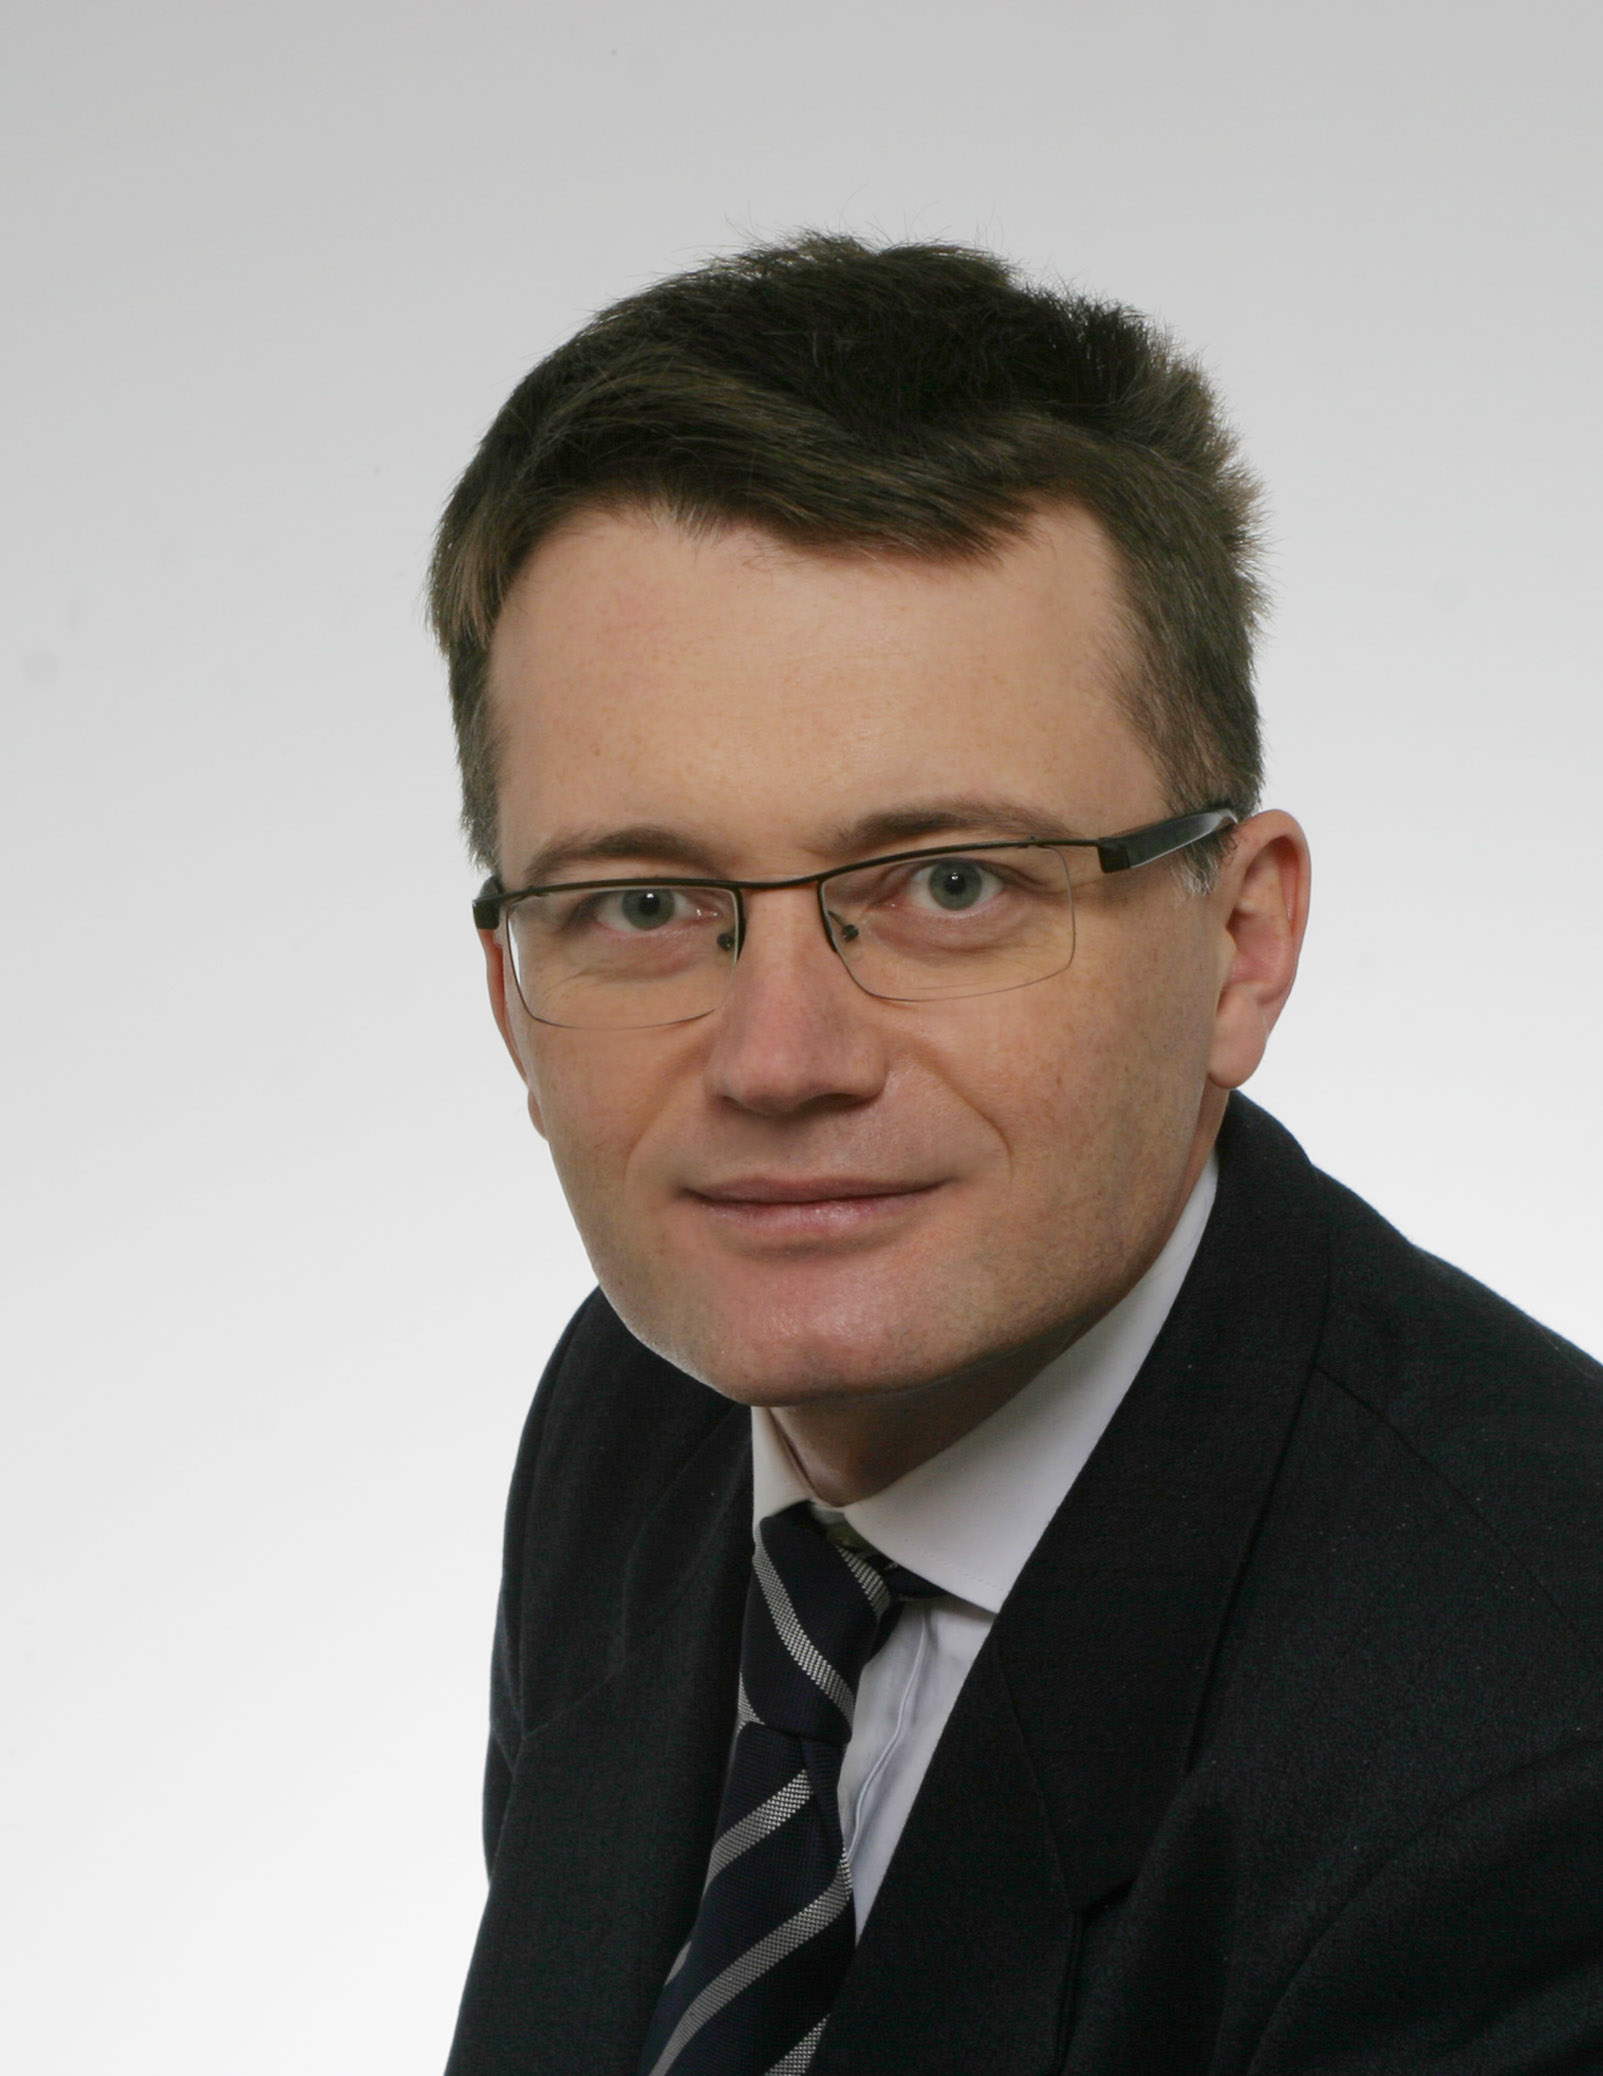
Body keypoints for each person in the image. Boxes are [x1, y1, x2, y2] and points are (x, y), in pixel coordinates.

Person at [428, 236, 1603, 2076]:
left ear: (1241, 945)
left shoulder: (1539, 1763)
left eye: (954, 884)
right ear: (512, 994)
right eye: (642, 903)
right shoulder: (639, 1413)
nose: (780, 1061)